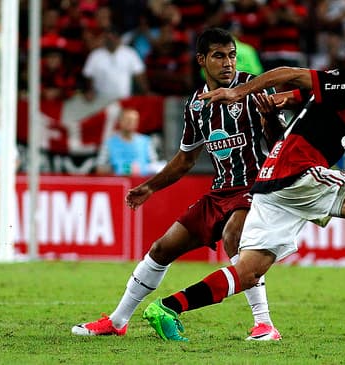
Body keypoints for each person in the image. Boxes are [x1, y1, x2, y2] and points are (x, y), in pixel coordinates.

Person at [141, 42, 345, 341]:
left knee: (249, 272)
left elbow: (294, 96)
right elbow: (290, 73)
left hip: (270, 183)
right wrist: (239, 92)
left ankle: (167, 308)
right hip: (298, 172)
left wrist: (277, 102)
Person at [72, 28, 283, 341]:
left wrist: (273, 121)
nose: (228, 63)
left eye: (232, 55)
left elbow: (280, 143)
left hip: (255, 187)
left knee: (234, 238)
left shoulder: (251, 88)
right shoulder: (197, 106)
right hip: (219, 191)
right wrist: (150, 186)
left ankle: (264, 324)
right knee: (161, 249)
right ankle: (117, 321)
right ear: (202, 60)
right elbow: (185, 160)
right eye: (219, 56)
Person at [82, 26, 150, 101]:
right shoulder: (95, 55)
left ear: (118, 38)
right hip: (100, 101)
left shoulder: (130, 53)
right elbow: (88, 76)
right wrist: (90, 90)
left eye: (113, 37)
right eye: (108, 38)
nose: (111, 40)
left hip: (123, 99)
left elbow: (139, 75)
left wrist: (146, 92)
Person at [95, 107, 164, 176]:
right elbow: (99, 168)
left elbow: (155, 165)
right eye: (127, 120)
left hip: (142, 183)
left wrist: (142, 169)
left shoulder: (146, 142)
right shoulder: (109, 143)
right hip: (119, 183)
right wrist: (118, 169)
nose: (130, 122)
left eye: (134, 120)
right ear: (120, 121)